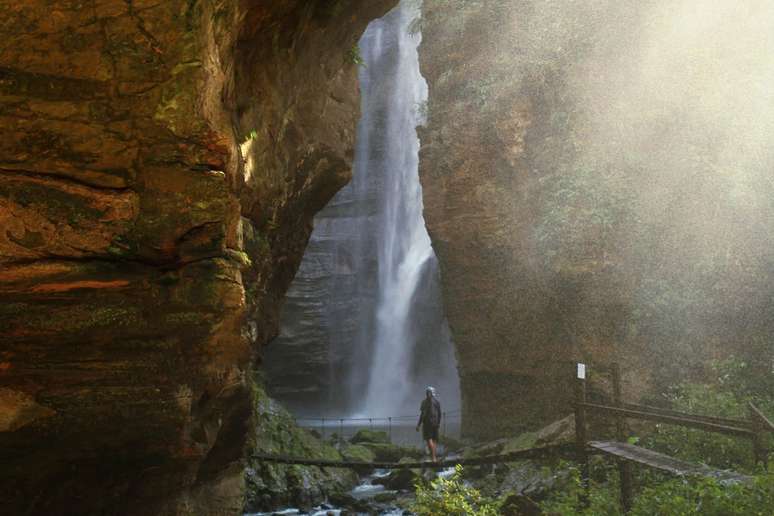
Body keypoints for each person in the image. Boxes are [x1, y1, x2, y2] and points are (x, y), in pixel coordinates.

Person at [416, 386, 441, 462]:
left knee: (429, 439)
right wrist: (438, 423)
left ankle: (433, 457)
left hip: (428, 423)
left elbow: (423, 414)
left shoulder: (424, 402)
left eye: (428, 392)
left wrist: (419, 424)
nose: (428, 394)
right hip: (435, 423)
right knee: (434, 440)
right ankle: (433, 456)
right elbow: (439, 414)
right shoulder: (437, 402)